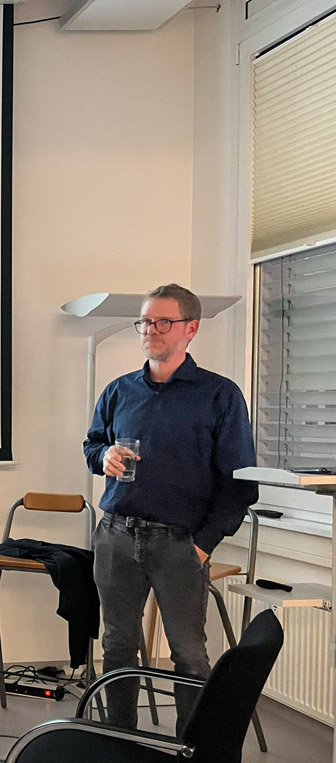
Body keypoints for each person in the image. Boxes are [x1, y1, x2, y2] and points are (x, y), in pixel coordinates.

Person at [83, 284, 257, 731]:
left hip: (180, 542)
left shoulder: (219, 395)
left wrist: (203, 544)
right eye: (145, 322)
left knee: (188, 653)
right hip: (116, 534)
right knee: (117, 646)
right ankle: (120, 739)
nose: (150, 330)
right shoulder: (119, 391)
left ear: (190, 329)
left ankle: (190, 752)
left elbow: (240, 483)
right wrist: (103, 456)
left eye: (163, 322)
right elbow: (92, 445)